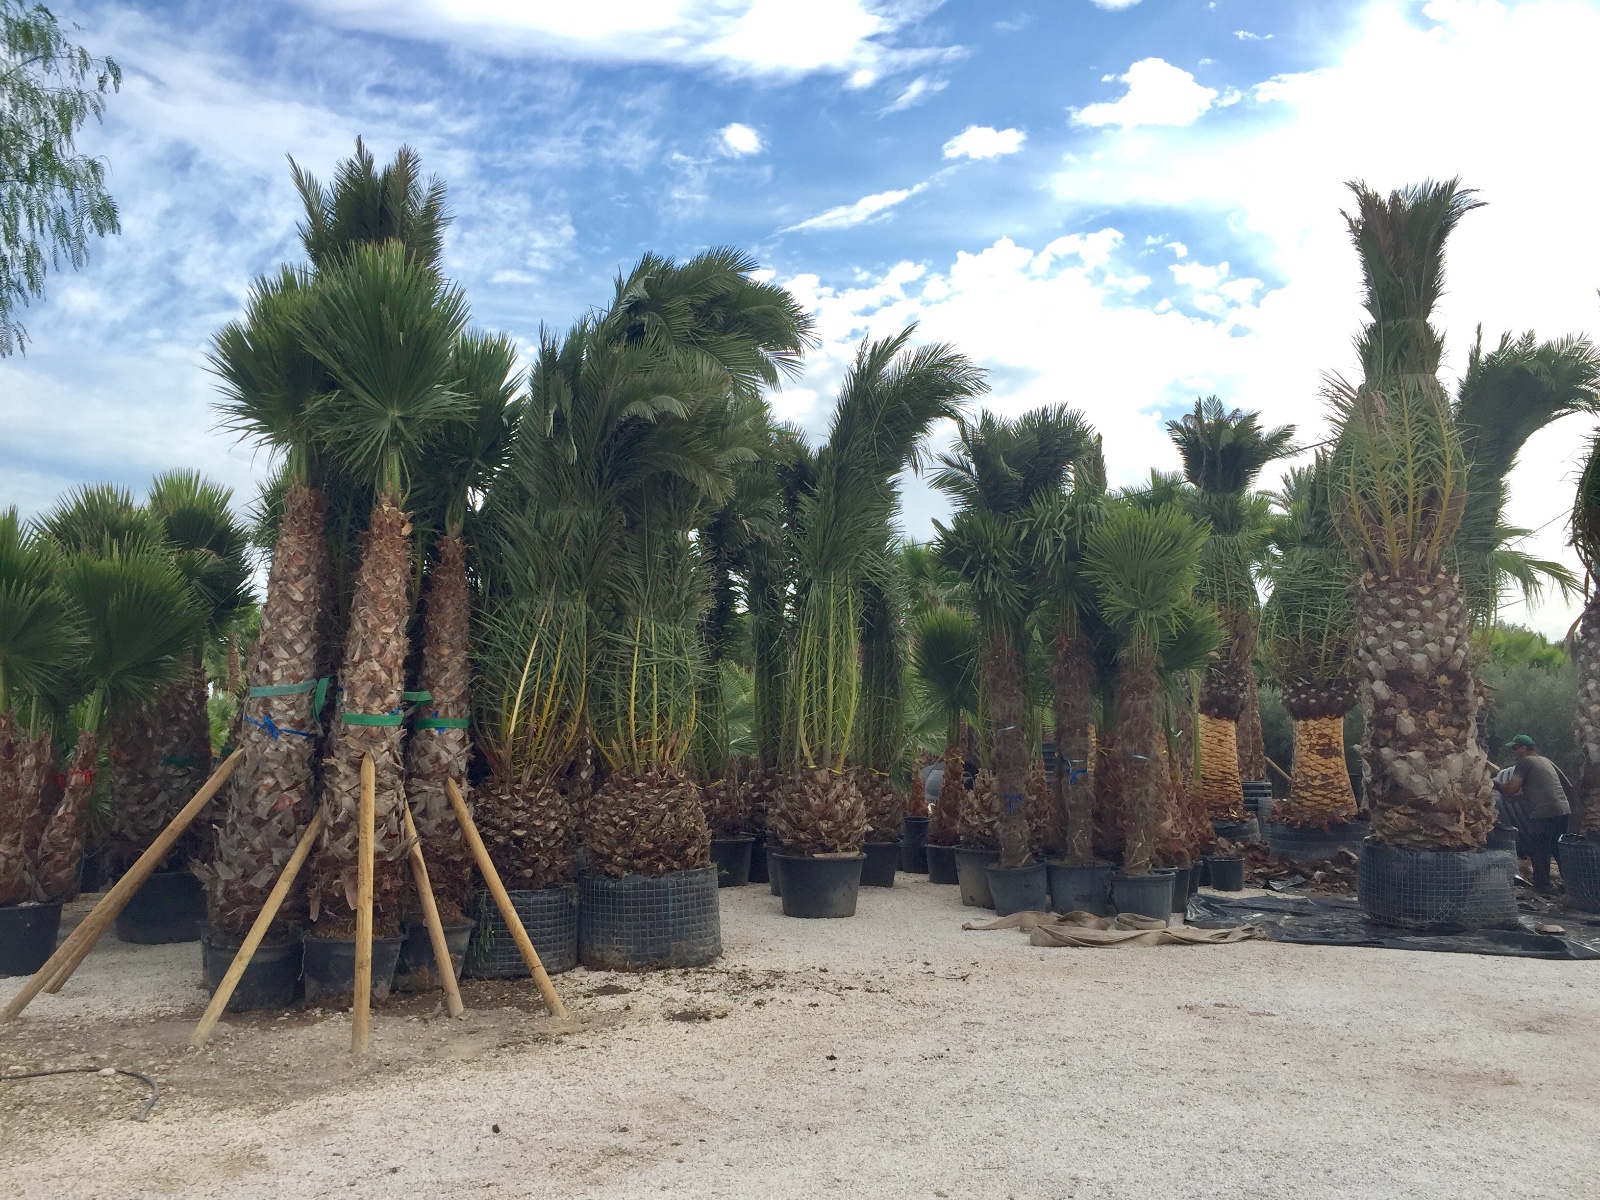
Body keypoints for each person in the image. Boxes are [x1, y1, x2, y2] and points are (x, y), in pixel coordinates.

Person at [1492, 734, 1571, 893]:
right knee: (1557, 848)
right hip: (1562, 810)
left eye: (1515, 748)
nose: (1513, 752)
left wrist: (1493, 783)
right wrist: (1517, 798)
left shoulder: (1525, 762)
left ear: (1524, 748)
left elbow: (1511, 789)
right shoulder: (1544, 760)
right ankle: (1571, 885)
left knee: (1539, 849)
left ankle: (1542, 887)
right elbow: (1541, 789)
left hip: (1544, 812)